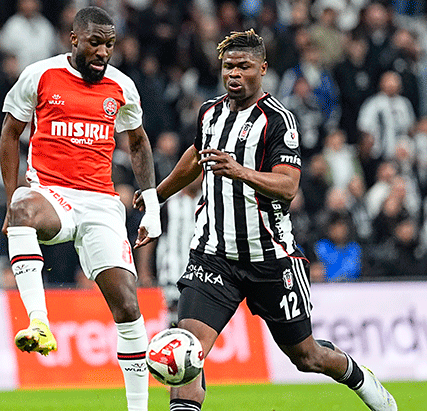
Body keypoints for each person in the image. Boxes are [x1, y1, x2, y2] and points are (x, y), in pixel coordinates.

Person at [135, 29, 397, 411]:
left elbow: (288, 186)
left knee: (306, 356)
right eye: (228, 66)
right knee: (187, 349)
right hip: (214, 256)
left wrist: (239, 171)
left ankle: (360, 378)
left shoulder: (278, 120)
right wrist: (157, 196)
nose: (234, 74)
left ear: (262, 68)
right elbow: (195, 154)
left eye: (243, 66)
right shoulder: (209, 113)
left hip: (270, 259)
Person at [0, 6, 160, 411]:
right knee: (22, 209)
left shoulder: (122, 86)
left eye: (110, 45)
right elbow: (10, 133)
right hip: (52, 194)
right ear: (74, 39)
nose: (103, 52)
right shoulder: (39, 75)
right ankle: (39, 322)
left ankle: (138, 408)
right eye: (95, 42)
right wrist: (11, 198)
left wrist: (152, 205)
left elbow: (138, 142)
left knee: (128, 306)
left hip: (102, 204)